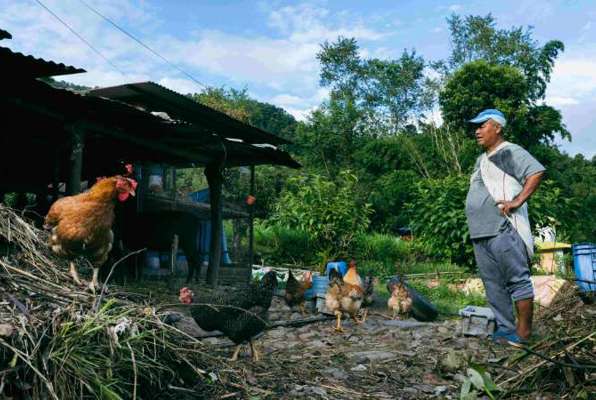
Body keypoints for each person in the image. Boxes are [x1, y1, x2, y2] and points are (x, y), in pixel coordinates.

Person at [465, 109, 545, 345]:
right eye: (476, 127)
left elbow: (536, 171)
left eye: (482, 125)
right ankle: (504, 329)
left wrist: (517, 201)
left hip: (503, 228)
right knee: (493, 285)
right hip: (480, 232)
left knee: (517, 281)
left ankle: (523, 334)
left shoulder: (509, 151)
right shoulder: (482, 159)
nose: (477, 131)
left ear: (497, 127)